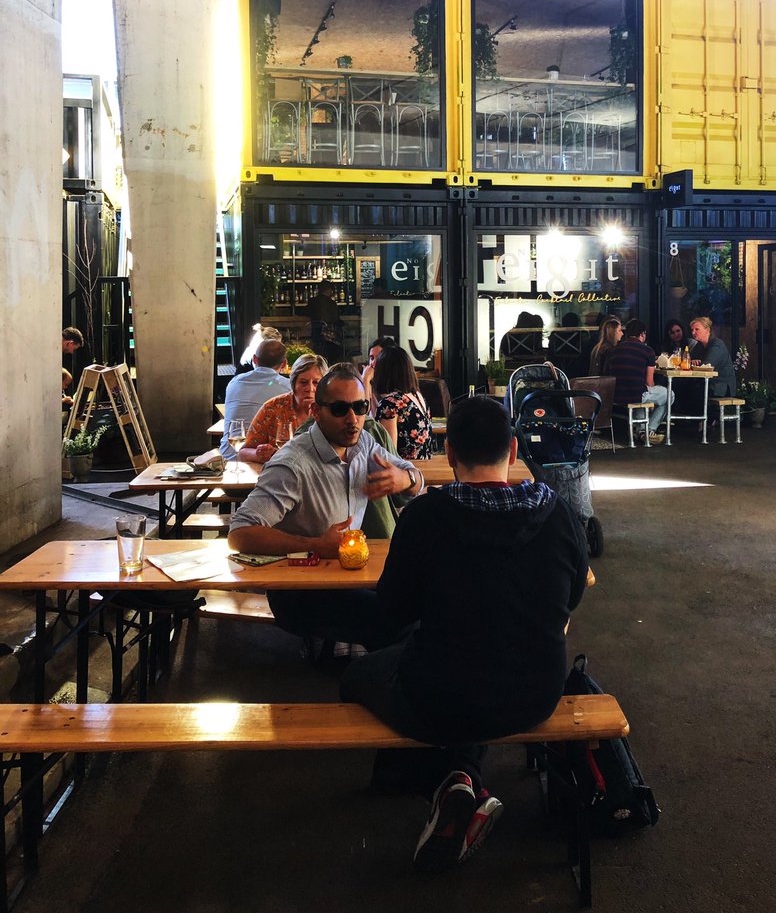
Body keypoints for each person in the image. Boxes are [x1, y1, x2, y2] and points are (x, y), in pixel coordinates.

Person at [339, 395, 588, 873]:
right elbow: (572, 597)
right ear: (513, 450)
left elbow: (392, 613)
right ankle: (459, 778)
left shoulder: (425, 518)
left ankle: (440, 782)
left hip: (442, 698)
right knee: (470, 676)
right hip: (537, 694)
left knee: (358, 677)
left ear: (449, 452)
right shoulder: (556, 513)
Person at [228, 365, 425, 649]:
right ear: (316, 412)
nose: (352, 419)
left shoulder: (362, 443)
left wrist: (405, 479)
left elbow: (414, 476)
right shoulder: (292, 465)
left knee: (424, 604)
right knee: (401, 620)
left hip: (344, 575)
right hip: (300, 591)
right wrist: (316, 546)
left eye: (360, 407)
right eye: (339, 409)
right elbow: (240, 533)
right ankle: (374, 674)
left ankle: (376, 669)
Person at [238, 353, 329, 463]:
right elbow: (243, 453)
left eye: (316, 383)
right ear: (293, 383)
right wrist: (259, 454)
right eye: (303, 382)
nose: (309, 388)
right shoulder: (272, 408)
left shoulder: (330, 410)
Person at [219, 338, 290, 460]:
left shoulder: (234, 382)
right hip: (260, 458)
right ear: (284, 364)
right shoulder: (289, 388)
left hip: (227, 455)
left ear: (254, 359)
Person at [604, 318, 672, 444]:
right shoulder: (647, 351)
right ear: (642, 334)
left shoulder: (613, 350)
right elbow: (649, 382)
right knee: (669, 394)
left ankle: (640, 431)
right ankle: (649, 429)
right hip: (635, 394)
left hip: (615, 395)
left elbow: (607, 373)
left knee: (641, 393)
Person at [372, 344, 433, 460]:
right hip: (423, 467)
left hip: (403, 469)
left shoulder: (390, 404)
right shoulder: (418, 396)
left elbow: (388, 454)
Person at [689, 317, 737, 398]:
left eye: (697, 329)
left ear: (707, 330)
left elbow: (706, 366)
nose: (693, 332)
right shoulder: (699, 345)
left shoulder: (717, 345)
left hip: (721, 387)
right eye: (692, 330)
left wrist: (693, 364)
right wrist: (692, 362)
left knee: (691, 391)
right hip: (707, 383)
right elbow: (689, 361)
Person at [361, 335, 396, 413]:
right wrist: (365, 379)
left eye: (379, 358)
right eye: (372, 358)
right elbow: (361, 412)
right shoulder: (368, 381)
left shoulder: (398, 388)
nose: (373, 363)